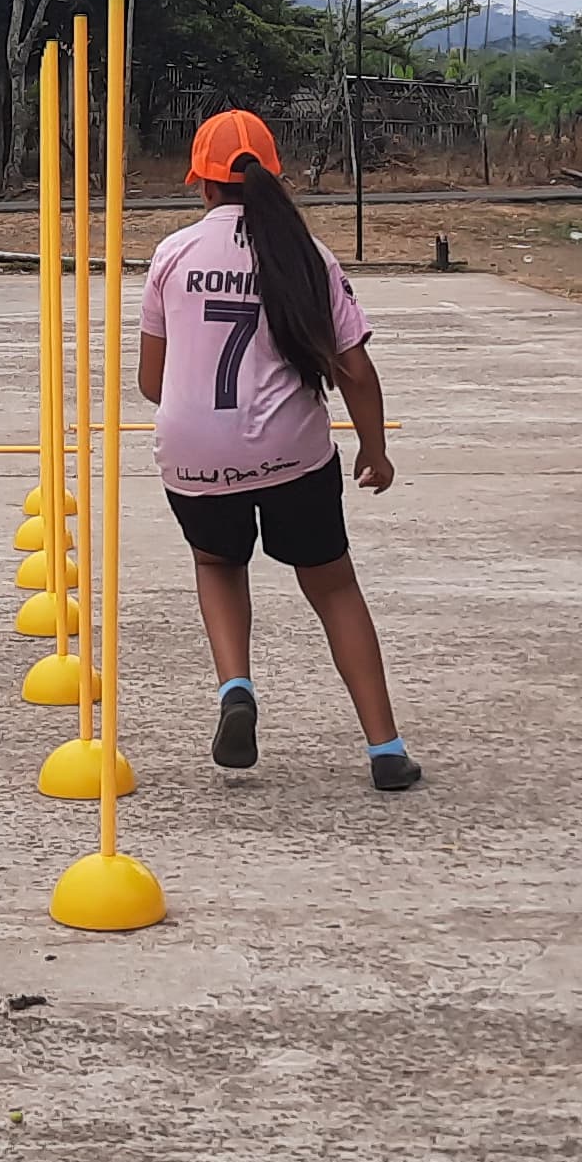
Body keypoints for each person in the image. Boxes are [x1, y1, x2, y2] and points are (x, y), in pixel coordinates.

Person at [138, 110, 417, 792]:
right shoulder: (307, 256)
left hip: (194, 452)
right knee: (333, 585)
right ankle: (385, 748)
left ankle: (236, 687)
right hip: (292, 453)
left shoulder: (173, 255)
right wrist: (375, 450)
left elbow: (150, 381)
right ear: (275, 175)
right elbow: (355, 371)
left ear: (202, 184)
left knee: (217, 562)